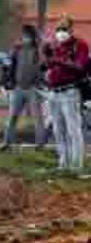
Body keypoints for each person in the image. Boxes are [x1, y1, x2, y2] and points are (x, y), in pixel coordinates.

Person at [42, 16, 89, 169]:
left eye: (63, 29)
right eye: (58, 29)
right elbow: (47, 66)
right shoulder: (55, 45)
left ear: (70, 29)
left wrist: (58, 60)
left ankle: (76, 165)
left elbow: (80, 66)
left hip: (70, 91)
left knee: (73, 129)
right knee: (58, 129)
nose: (60, 33)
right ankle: (63, 163)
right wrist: (46, 55)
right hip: (53, 92)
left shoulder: (80, 44)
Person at [1, 24, 46, 150]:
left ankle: (40, 143)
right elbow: (9, 66)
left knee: (37, 118)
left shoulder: (38, 50)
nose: (26, 38)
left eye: (28, 36)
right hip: (18, 88)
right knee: (12, 117)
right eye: (24, 36)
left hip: (33, 88)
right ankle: (6, 142)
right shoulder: (16, 50)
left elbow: (42, 67)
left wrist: (40, 82)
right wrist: (7, 81)